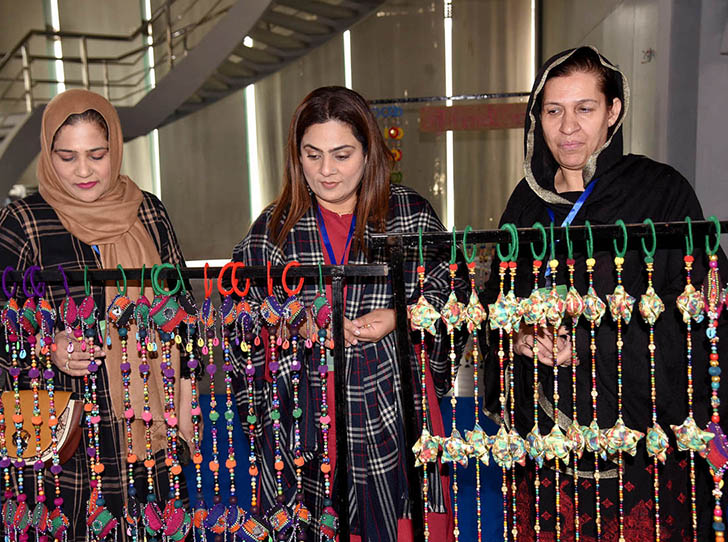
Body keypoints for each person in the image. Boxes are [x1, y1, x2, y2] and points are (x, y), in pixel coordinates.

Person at [482, 46, 727, 541]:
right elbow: (494, 307)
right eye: (554, 111)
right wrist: (519, 337)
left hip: (641, 454)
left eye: (584, 108)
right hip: (548, 454)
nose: (567, 127)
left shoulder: (659, 192)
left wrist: (591, 345)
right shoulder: (526, 204)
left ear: (613, 110)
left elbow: (703, 314)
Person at [227, 86, 460, 541]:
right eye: (312, 155)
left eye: (342, 154)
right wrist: (301, 323)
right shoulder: (273, 230)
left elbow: (452, 287)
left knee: (406, 525)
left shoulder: (409, 213)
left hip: (395, 402)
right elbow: (240, 315)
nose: (326, 171)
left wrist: (401, 315)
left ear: (369, 151)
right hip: (306, 410)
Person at [0, 89, 195, 540]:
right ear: (47, 154)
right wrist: (46, 344)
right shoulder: (22, 222)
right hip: (63, 430)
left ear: (114, 149)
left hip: (147, 427)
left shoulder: (147, 212)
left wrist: (155, 320)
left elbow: (183, 305)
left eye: (97, 154)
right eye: (67, 156)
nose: (83, 171)